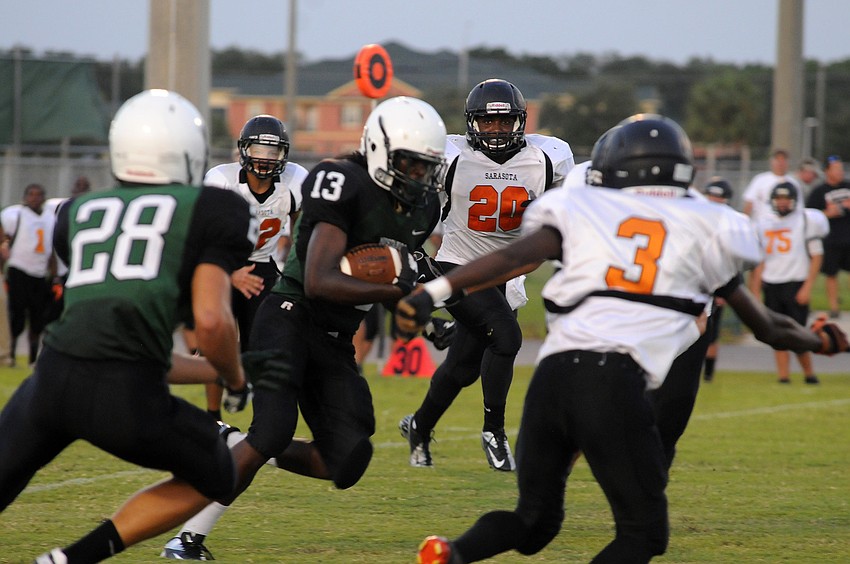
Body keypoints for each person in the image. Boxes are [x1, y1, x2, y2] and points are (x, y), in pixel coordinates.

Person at [395, 115, 848, 564]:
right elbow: (768, 327)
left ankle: (451, 552)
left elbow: (511, 257)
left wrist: (432, 291)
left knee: (532, 522)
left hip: (551, 378)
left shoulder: (581, 210)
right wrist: (821, 342)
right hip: (612, 381)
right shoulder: (706, 224)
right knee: (643, 535)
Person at [161, 96, 448, 560]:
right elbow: (319, 280)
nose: (419, 176)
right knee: (272, 430)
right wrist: (395, 290)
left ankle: (234, 441)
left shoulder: (421, 207)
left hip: (335, 340)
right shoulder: (340, 181)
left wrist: (434, 312)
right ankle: (186, 537)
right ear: (380, 151)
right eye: (409, 164)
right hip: (290, 315)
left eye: (425, 167)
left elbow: (408, 272)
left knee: (347, 459)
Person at [0, 89, 255, 563]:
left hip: (51, 378)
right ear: (188, 153)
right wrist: (236, 378)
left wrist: (216, 371)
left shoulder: (77, 211)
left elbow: (122, 343)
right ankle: (72, 559)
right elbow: (211, 320)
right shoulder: (213, 209)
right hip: (126, 396)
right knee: (219, 471)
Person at [399, 78, 574, 472]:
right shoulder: (449, 156)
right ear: (471, 123)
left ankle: (419, 426)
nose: (495, 130)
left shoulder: (548, 158)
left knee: (462, 367)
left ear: (520, 122)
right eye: (487, 122)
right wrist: (416, 258)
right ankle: (494, 431)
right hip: (458, 265)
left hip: (508, 274)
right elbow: (414, 209)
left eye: (504, 121)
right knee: (507, 338)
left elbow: (563, 218)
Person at [198, 114, 307, 421]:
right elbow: (202, 238)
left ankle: (263, 422)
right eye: (259, 150)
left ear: (284, 154)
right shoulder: (222, 181)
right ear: (244, 150)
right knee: (215, 340)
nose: (265, 158)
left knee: (266, 346)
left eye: (273, 151)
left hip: (263, 267)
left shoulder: (295, 182)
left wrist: (295, 274)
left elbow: (302, 232)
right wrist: (230, 274)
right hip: (222, 265)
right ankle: (213, 418)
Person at [751, 182, 829, 384]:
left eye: (786, 198)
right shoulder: (763, 222)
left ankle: (809, 374)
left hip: (795, 283)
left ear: (794, 200)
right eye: (779, 198)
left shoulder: (805, 219)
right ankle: (783, 377)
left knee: (799, 333)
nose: (782, 203)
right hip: (771, 283)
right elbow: (759, 260)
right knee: (776, 334)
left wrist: (807, 287)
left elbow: (817, 256)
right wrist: (755, 290)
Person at [0, 183, 56, 367]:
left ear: (44, 198)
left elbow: (51, 249)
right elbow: (4, 239)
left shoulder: (50, 217)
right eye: (31, 194)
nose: (34, 198)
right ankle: (11, 355)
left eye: (38, 195)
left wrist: (54, 274)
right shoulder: (15, 215)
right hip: (19, 268)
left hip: (40, 272)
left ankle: (33, 357)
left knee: (37, 317)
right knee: (16, 315)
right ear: (25, 197)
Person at [805, 155, 850, 318]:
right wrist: (827, 213)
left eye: (841, 168)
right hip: (831, 239)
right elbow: (810, 215)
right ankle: (834, 307)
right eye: (836, 169)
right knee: (831, 274)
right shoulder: (819, 192)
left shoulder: (848, 186)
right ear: (827, 171)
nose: (840, 172)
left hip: (848, 236)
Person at [701, 177, 735, 382]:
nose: (713, 199)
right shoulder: (697, 216)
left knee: (712, 330)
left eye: (717, 196)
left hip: (716, 280)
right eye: (711, 195)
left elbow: (731, 258)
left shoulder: (729, 222)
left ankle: (708, 374)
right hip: (695, 279)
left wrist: (724, 289)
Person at [742, 148, 803, 222]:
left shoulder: (794, 183)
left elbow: (799, 208)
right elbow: (749, 203)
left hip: (787, 225)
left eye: (783, 160)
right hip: (763, 225)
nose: (780, 163)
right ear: (772, 162)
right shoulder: (760, 179)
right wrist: (745, 222)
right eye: (777, 160)